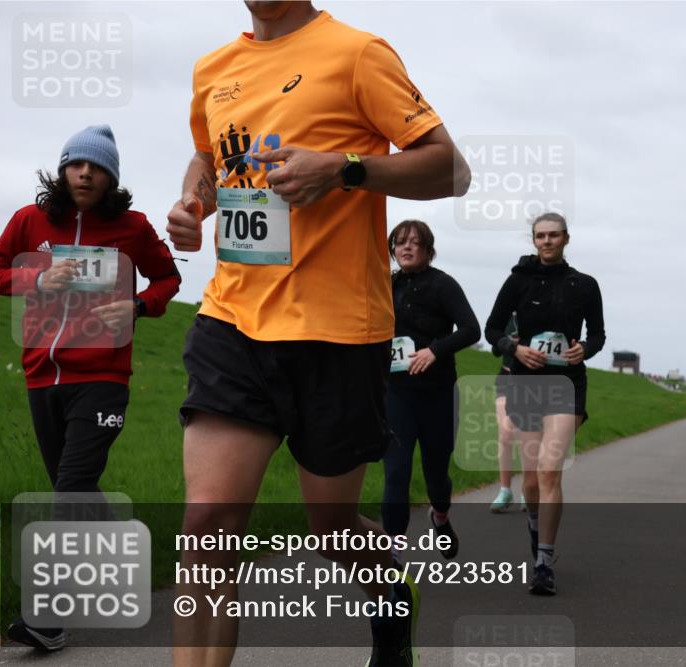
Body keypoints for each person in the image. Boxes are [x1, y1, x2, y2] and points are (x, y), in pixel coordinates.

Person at [164, 2, 469, 665]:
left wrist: (345, 168)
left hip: (338, 333)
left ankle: (389, 588)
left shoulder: (358, 53)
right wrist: (193, 201)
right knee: (207, 525)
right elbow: (208, 157)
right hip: (232, 320)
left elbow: (451, 169)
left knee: (330, 528)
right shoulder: (214, 68)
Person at [0, 125, 180, 651]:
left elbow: (168, 280)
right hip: (41, 377)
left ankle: (47, 618)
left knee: (69, 490)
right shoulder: (29, 221)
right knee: (73, 492)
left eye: (97, 167)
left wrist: (138, 305)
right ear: (63, 169)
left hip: (103, 378)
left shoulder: (132, 228)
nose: (86, 173)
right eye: (76, 164)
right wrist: (37, 279)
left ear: (111, 176)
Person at [485, 212, 605, 596]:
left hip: (566, 384)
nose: (547, 241)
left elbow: (598, 334)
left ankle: (543, 562)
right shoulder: (518, 281)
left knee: (551, 472)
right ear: (533, 240)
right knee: (533, 479)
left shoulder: (584, 284)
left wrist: (584, 348)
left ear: (566, 238)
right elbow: (492, 329)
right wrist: (515, 349)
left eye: (554, 235)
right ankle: (536, 530)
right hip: (526, 384)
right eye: (541, 236)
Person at [383, 219, 480, 560]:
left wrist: (435, 350)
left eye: (415, 242)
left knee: (436, 473)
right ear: (392, 249)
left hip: (437, 394)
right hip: (395, 393)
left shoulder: (443, 285)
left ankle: (440, 516)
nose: (406, 247)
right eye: (400, 242)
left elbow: (471, 330)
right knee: (396, 471)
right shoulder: (384, 285)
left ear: (428, 249)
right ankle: (393, 558)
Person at [490, 311, 526, 513]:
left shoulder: (535, 311)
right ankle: (505, 490)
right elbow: (495, 350)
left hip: (530, 380)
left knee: (525, 436)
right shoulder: (506, 315)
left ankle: (527, 489)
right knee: (505, 433)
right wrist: (508, 342)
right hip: (505, 377)